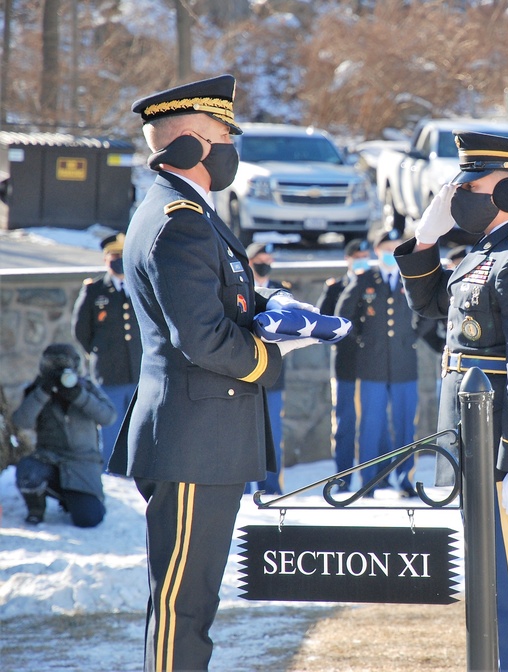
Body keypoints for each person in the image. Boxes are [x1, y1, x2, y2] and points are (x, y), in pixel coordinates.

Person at [108, 75, 321, 672]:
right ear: (190, 147)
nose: (232, 147)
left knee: (191, 600)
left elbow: (219, 300)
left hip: (203, 439)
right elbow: (200, 336)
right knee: (184, 605)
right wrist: (269, 356)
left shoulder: (191, 213)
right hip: (193, 442)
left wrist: (274, 310)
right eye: (224, 136)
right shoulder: (178, 219)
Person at [394, 131, 508, 672]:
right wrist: (424, 242)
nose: (459, 193)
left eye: (473, 183)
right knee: (492, 584)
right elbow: (431, 305)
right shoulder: (483, 254)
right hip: (474, 442)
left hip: (504, 448)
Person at [335, 229, 420, 497]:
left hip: (404, 364)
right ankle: (369, 481)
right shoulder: (365, 280)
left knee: (406, 425)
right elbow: (344, 313)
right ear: (377, 251)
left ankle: (405, 479)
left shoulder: (411, 278)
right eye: (387, 248)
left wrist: (412, 335)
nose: (392, 253)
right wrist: (363, 340)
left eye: (397, 247)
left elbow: (427, 311)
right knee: (370, 426)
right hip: (371, 365)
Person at [12, 344, 115, 527]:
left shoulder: (86, 387)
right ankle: (36, 509)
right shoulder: (37, 388)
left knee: (89, 520)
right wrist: (43, 392)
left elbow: (108, 416)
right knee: (28, 470)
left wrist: (79, 396)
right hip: (48, 460)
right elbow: (21, 421)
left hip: (81, 462)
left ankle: (72, 498)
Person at [72, 232, 142, 470]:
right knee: (111, 427)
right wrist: (97, 352)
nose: (120, 260)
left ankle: (135, 471)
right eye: (115, 256)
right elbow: (82, 330)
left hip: (138, 372)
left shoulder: (139, 286)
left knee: (138, 428)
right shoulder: (94, 291)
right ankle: (112, 473)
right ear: (106, 259)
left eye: (123, 255)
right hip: (109, 372)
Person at [318, 237, 373, 484]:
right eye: (356, 258)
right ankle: (343, 477)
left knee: (373, 424)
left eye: (364, 257)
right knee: (344, 423)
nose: (361, 262)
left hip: (373, 366)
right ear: (347, 259)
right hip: (345, 365)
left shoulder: (376, 284)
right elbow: (322, 324)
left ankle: (373, 479)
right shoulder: (335, 288)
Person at [244, 241, 293, 495]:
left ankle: (271, 489)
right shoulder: (238, 290)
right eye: (261, 260)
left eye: (269, 260)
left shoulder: (281, 293)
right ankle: (239, 489)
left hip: (272, 375)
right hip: (242, 374)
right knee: (241, 435)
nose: (266, 265)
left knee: (272, 435)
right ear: (249, 262)